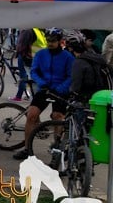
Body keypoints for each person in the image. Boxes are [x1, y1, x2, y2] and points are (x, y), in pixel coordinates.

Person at [13, 28, 74, 160]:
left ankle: (57, 150)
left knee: (58, 117)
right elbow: (34, 71)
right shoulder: (41, 54)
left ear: (60, 41)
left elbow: (70, 77)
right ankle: (27, 148)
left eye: (53, 41)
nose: (50, 43)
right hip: (44, 89)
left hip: (60, 91)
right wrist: (41, 83)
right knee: (31, 115)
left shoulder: (67, 57)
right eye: (48, 41)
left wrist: (60, 88)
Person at [67, 30, 109, 103]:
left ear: (70, 48)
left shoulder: (79, 63)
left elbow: (75, 87)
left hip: (85, 99)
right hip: (101, 96)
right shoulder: (96, 57)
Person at [12, 28, 46, 101]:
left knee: (25, 76)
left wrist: (20, 53)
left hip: (29, 58)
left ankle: (23, 97)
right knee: (33, 78)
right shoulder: (39, 31)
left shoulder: (28, 30)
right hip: (38, 58)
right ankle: (28, 96)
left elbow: (23, 45)